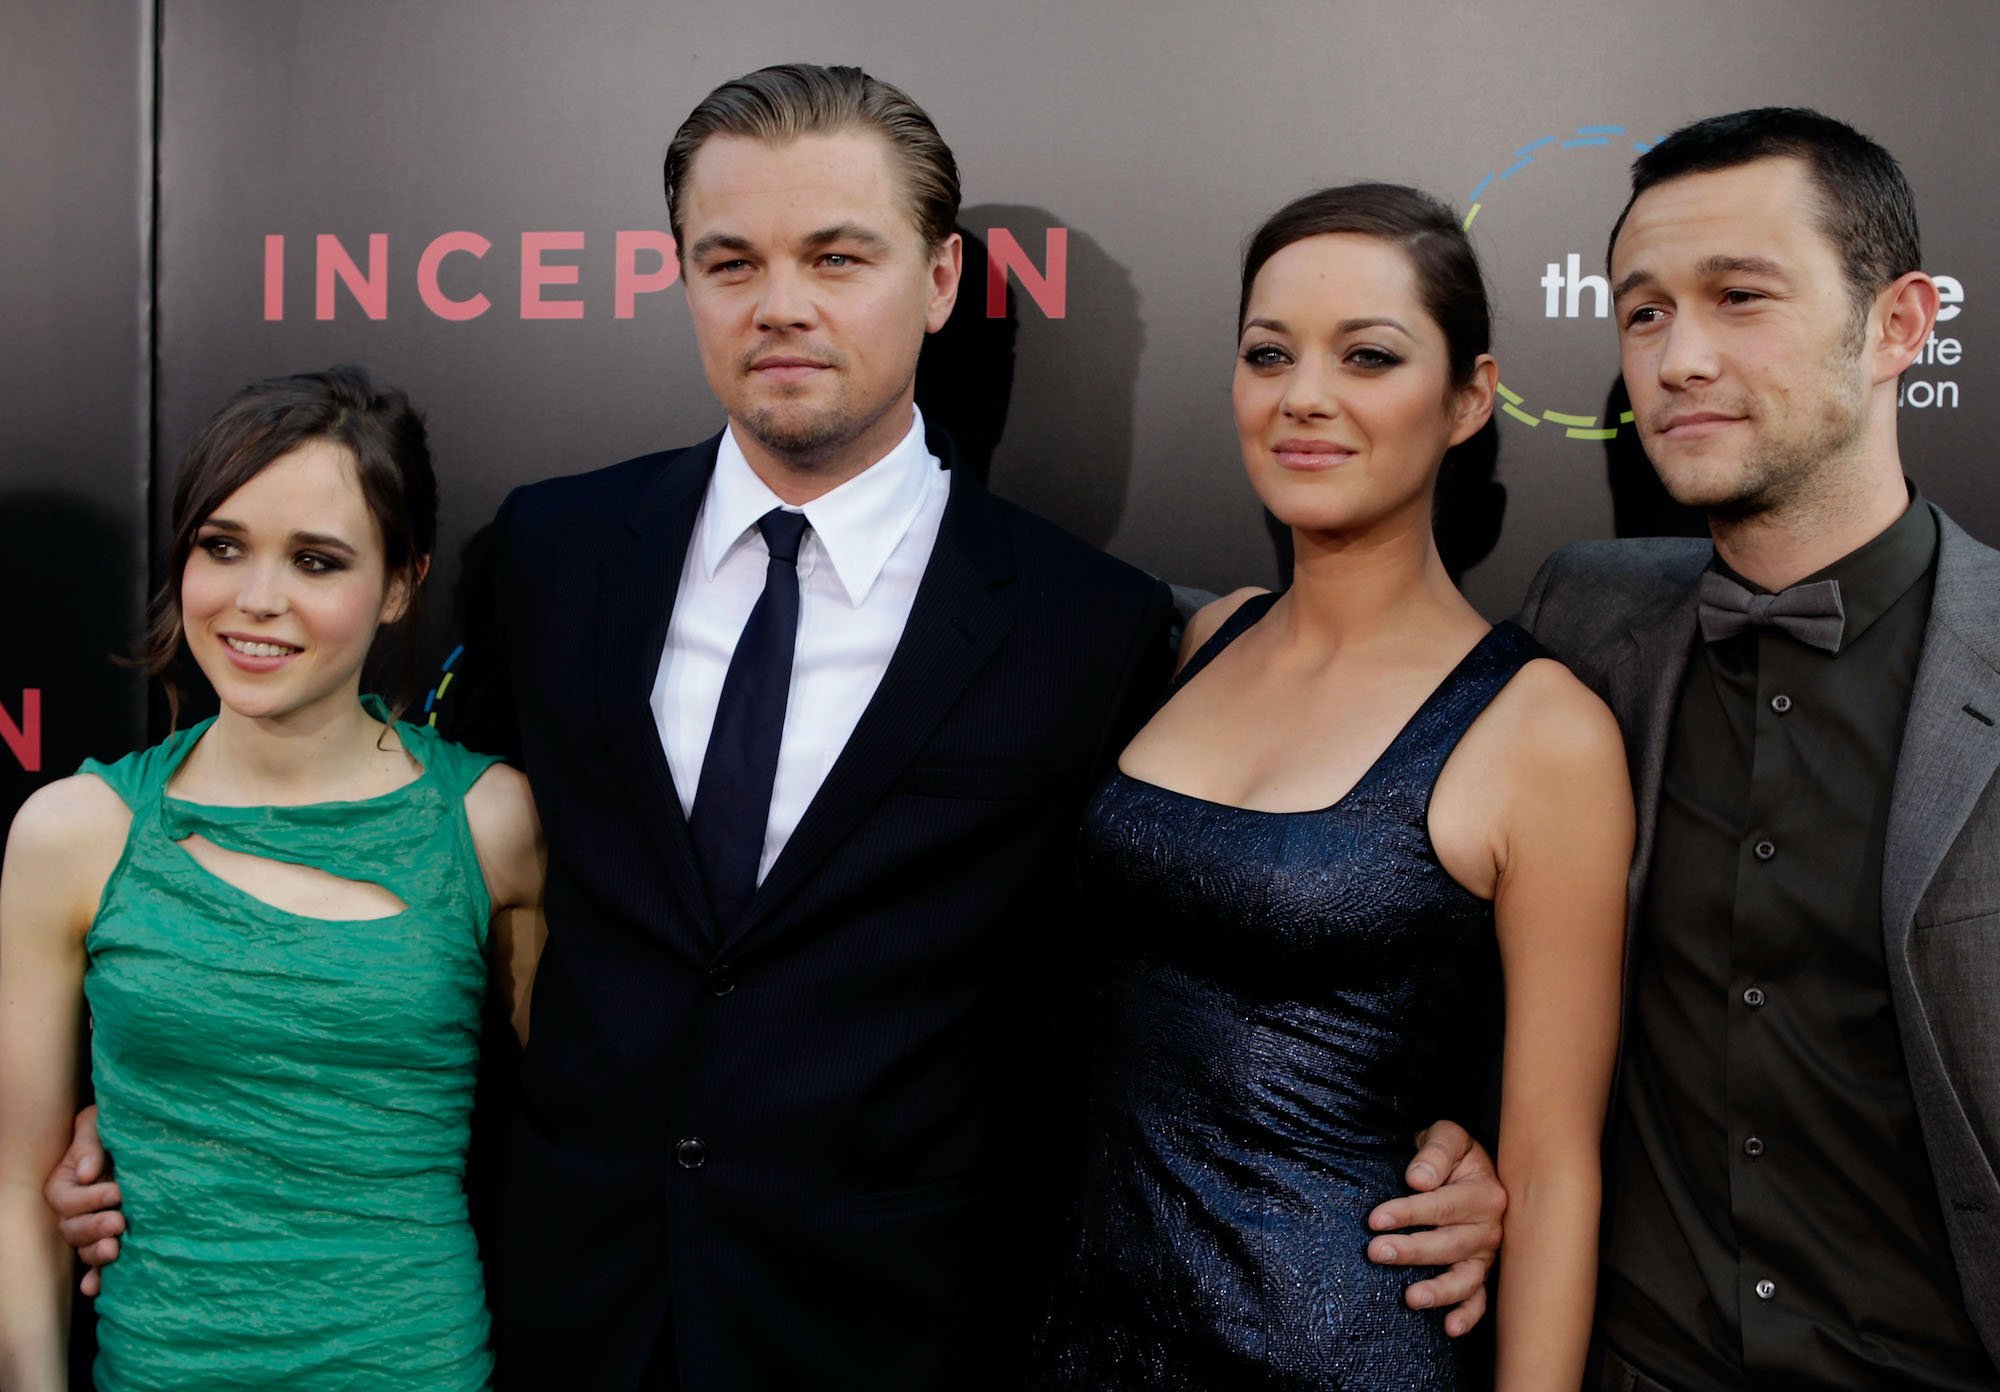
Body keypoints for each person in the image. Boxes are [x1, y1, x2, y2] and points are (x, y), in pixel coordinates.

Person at [42, 66, 1513, 1389]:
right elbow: (430, 881)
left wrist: (1447, 1138)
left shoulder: (1092, 627)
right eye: (730, 260)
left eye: (836, 257)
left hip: (904, 1331)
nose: (780, 305)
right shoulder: (552, 554)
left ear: (940, 280)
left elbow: (1190, 957)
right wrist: (179, 1109)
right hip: (567, 1318)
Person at [1030, 184, 1631, 1390]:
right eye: (1268, 354)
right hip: (1089, 1337)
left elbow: (1549, 1169)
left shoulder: (1539, 732)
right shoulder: (1207, 639)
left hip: (1337, 1351)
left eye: (1367, 356)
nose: (1303, 395)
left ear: (1468, 398)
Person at [1513, 108, 2000, 1388]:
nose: (1676, 359)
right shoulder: (1580, 618)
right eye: (1643, 313)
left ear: (1897, 325)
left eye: (1738, 297)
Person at [0, 366, 546, 1389]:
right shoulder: (75, 834)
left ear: (400, 585)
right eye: (222, 547)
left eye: (315, 560)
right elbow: (17, 1194)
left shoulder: (490, 823)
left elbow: (589, 1134)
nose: (257, 600)